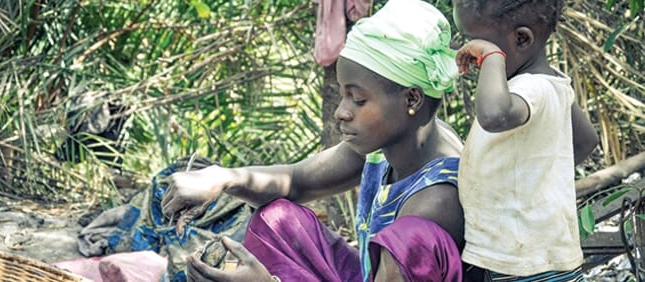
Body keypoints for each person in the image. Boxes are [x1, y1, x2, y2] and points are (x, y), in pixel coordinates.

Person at [161, 0, 470, 281]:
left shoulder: (433, 203)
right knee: (276, 220)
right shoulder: (393, 144)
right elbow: (297, 182)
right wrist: (221, 178)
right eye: (343, 95)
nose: (341, 113)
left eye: (358, 100)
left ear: (411, 98)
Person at [452, 0, 599, 280]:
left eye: (475, 41)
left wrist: (492, 58)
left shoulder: (531, 88)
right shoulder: (553, 84)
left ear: (521, 39)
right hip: (535, 256)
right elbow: (585, 141)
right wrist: (536, 182)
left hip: (520, 262)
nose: (469, 50)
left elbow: (494, 116)